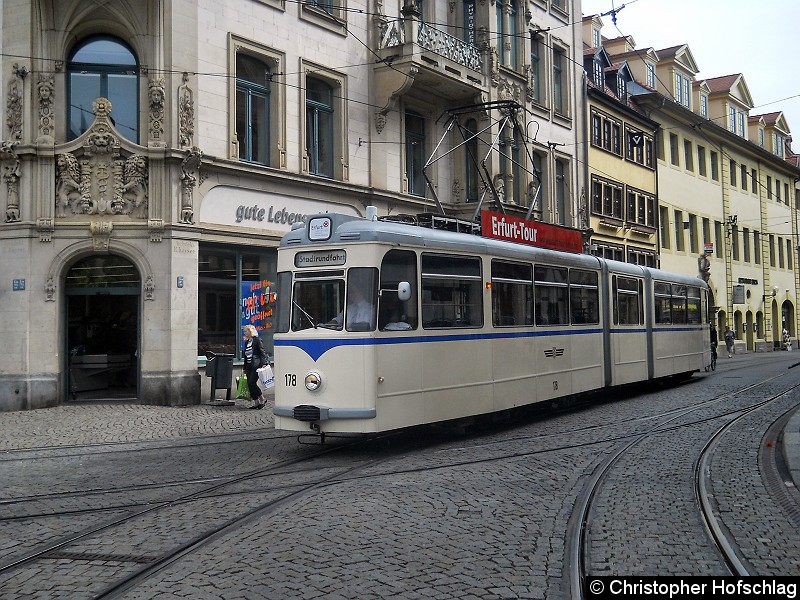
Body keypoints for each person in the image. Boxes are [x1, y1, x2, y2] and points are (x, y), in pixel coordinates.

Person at [242, 324, 269, 409]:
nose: (244, 332)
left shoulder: (257, 340)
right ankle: (256, 402)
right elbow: (246, 356)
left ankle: (262, 398)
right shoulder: (247, 342)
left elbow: (262, 352)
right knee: (249, 384)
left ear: (250, 332)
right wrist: (244, 368)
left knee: (251, 382)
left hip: (256, 365)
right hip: (249, 365)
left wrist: (264, 363)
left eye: (246, 331)